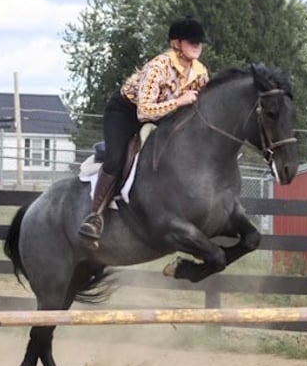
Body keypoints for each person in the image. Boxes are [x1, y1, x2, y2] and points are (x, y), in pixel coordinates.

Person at [78, 16, 210, 242]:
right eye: (191, 41)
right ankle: (95, 216)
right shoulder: (158, 66)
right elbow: (144, 112)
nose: (197, 45)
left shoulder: (200, 73)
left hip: (164, 116)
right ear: (176, 43)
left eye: (199, 41)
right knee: (116, 159)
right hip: (126, 113)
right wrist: (179, 102)